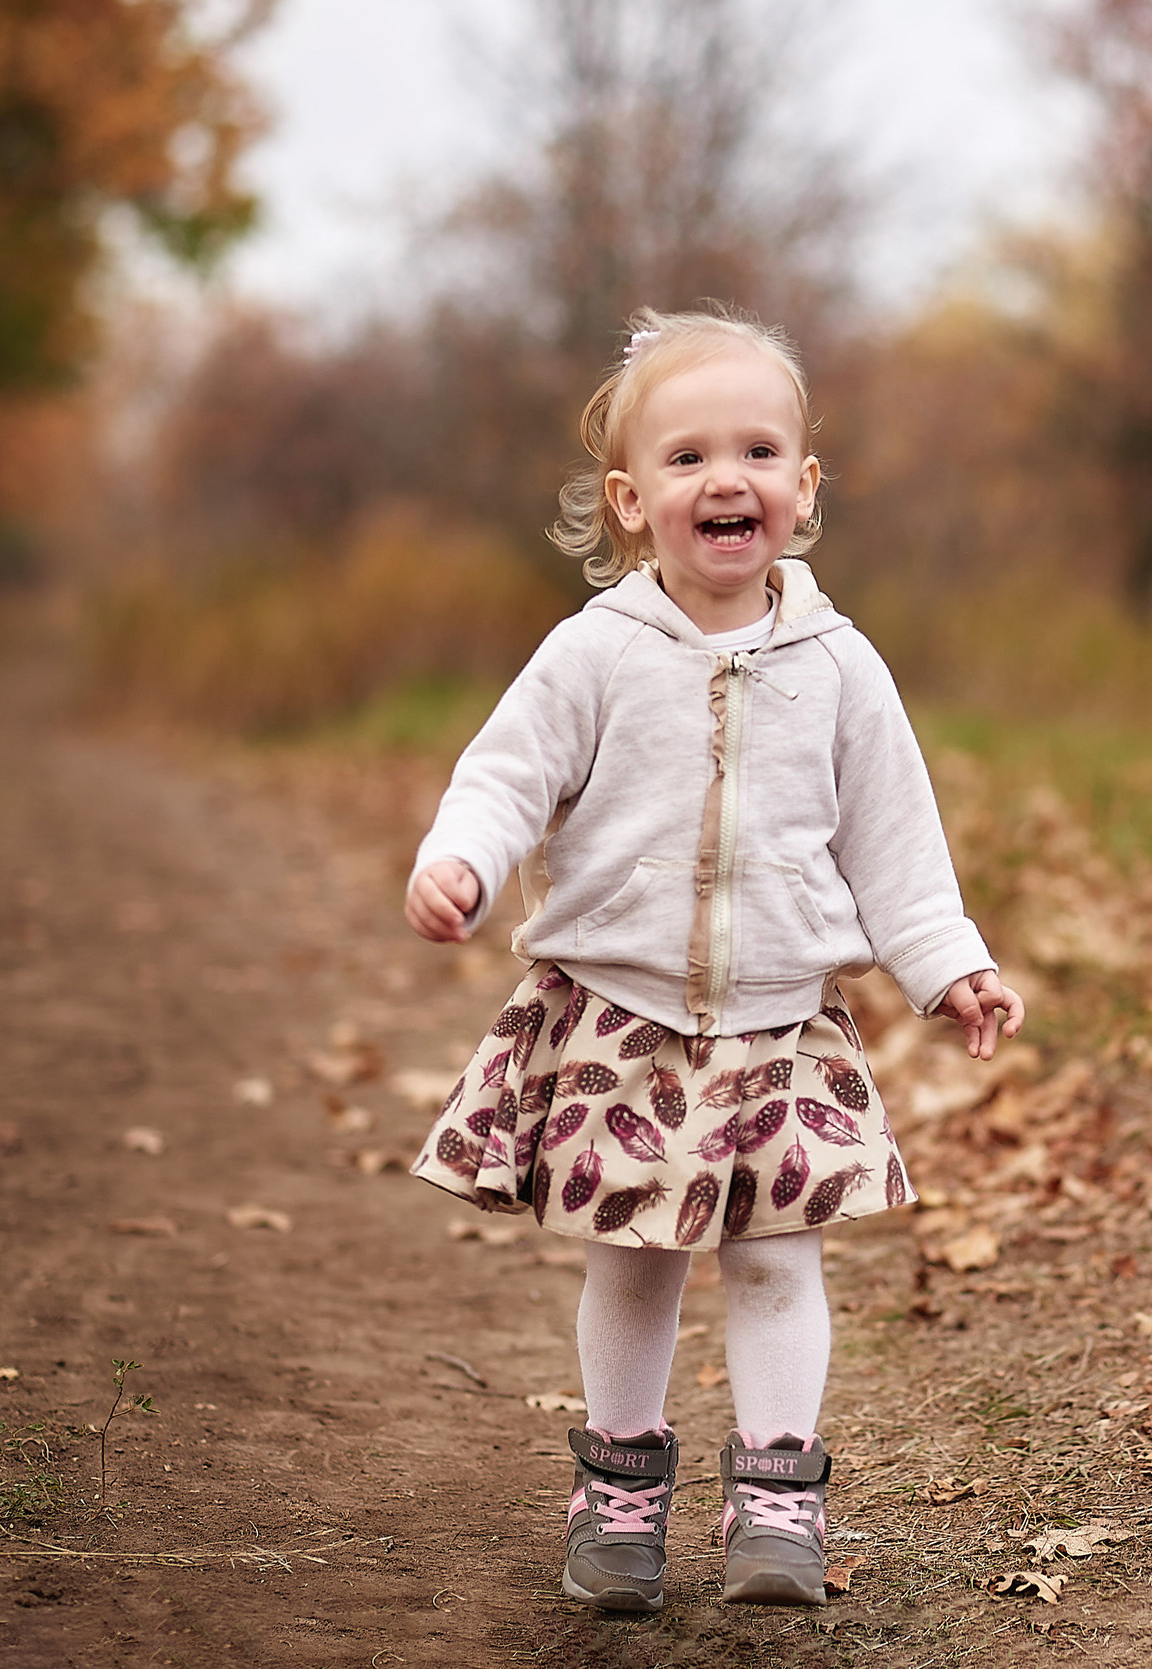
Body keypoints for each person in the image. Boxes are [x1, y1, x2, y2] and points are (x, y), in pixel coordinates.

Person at [402, 304, 1023, 1614]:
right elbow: (508, 772)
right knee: (632, 1256)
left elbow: (898, 846)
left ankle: (778, 1496)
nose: (723, 476)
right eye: (686, 458)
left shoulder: (843, 669)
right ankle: (621, 1489)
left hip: (782, 1019)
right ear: (631, 501)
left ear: (803, 486)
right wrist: (462, 855)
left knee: (778, 1256)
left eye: (756, 449)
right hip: (622, 1018)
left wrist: (948, 961)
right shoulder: (594, 654)